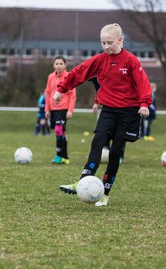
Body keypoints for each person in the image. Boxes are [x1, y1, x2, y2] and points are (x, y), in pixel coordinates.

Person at [53, 23, 152, 206]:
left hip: (129, 113)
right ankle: (83, 180)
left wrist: (144, 103)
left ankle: (105, 193)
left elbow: (143, 82)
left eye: (109, 42)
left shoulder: (130, 60)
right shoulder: (100, 60)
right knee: (98, 140)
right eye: (103, 43)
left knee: (115, 152)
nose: (106, 46)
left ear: (120, 40)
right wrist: (61, 89)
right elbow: (78, 73)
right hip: (108, 110)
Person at [45, 56, 76, 164]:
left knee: (59, 130)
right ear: (53, 65)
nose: (59, 66)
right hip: (53, 109)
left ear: (65, 65)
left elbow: (72, 95)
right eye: (56, 64)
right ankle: (63, 157)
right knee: (60, 132)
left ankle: (61, 156)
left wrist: (70, 110)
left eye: (61, 63)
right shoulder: (50, 77)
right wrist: (47, 109)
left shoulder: (69, 76)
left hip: (64, 108)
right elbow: (48, 93)